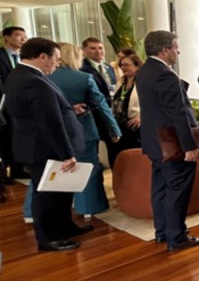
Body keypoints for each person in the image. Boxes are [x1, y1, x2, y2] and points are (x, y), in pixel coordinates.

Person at [3, 38, 91, 251]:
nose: (57, 64)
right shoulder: (34, 81)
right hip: (45, 148)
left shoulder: (19, 75)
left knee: (61, 191)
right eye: (56, 59)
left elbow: (38, 111)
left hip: (34, 145)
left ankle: (64, 227)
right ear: (43, 57)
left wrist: (68, 109)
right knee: (48, 195)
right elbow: (49, 122)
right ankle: (49, 238)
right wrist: (67, 153)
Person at [136, 30, 199, 251]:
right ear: (165, 50)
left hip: (154, 144)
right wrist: (190, 146)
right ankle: (177, 237)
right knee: (177, 190)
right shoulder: (165, 74)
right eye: (176, 47)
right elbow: (178, 114)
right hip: (172, 145)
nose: (179, 51)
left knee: (160, 189)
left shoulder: (144, 71)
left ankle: (163, 232)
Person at [50, 43, 121, 216]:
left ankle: (33, 211)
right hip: (84, 130)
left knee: (53, 170)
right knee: (88, 168)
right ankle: (89, 207)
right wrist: (114, 130)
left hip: (54, 132)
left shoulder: (46, 78)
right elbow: (102, 106)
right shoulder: (83, 78)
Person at [0, 26, 29, 182]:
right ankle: (5, 174)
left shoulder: (24, 57)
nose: (23, 39)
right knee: (6, 139)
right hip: (4, 106)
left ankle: (19, 169)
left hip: (23, 106)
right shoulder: (1, 56)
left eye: (24, 36)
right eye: (18, 36)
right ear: (7, 38)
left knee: (19, 138)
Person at [108, 53, 143, 168]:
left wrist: (141, 116)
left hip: (135, 126)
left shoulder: (143, 84)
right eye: (122, 65)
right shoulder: (120, 84)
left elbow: (152, 103)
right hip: (119, 125)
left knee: (133, 158)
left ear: (137, 66)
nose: (124, 68)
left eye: (127, 65)